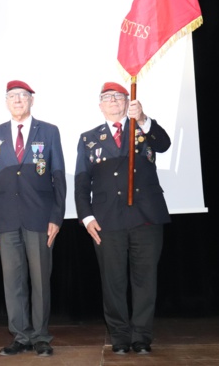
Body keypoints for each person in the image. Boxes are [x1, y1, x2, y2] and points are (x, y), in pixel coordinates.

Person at [74, 82, 171, 355]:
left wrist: (142, 118)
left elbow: (164, 145)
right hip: (107, 221)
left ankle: (141, 335)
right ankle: (119, 335)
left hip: (146, 217)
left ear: (129, 101)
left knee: (145, 280)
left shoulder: (142, 128)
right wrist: (87, 217)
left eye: (118, 96)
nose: (113, 100)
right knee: (113, 281)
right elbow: (81, 183)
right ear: (100, 105)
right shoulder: (88, 138)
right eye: (107, 97)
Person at [0, 80, 66, 357]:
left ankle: (41, 336)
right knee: (12, 281)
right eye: (12, 96)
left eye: (22, 96)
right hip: (6, 221)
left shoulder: (49, 131)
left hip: (40, 218)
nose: (17, 100)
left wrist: (56, 216)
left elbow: (57, 176)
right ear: (6, 102)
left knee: (41, 279)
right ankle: (20, 335)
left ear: (32, 100)